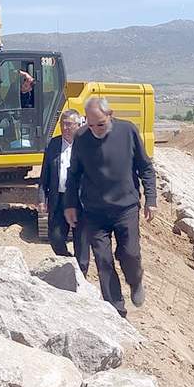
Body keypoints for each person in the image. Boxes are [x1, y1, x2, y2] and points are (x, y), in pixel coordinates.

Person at [65, 96, 156, 317]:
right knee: (103, 261)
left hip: (126, 208)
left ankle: (135, 282)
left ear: (110, 115)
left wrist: (151, 200)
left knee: (130, 254)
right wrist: (70, 205)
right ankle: (116, 309)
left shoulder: (128, 131)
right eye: (91, 124)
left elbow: (145, 167)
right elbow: (74, 174)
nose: (95, 129)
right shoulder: (81, 137)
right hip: (94, 211)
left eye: (101, 124)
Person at [38, 108, 87, 266]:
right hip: (59, 200)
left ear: (78, 125)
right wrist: (41, 198)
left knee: (82, 242)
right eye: (63, 124)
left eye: (69, 125)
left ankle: (81, 276)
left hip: (81, 202)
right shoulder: (53, 144)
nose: (65, 128)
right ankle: (69, 262)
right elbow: (44, 173)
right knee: (56, 238)